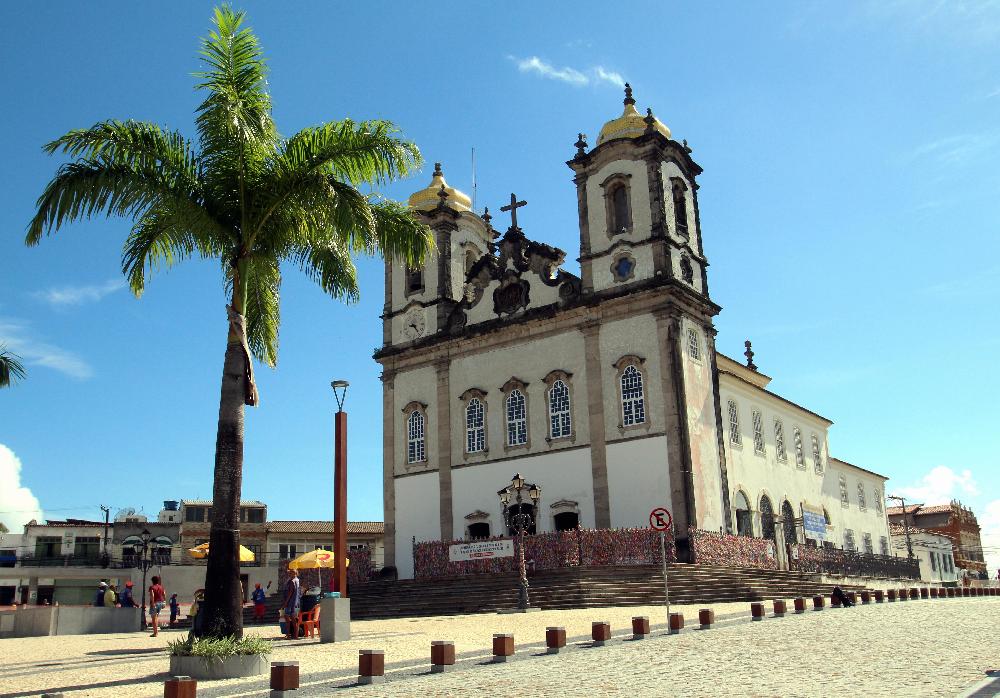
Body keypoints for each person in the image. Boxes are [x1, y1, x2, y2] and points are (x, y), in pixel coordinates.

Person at [283, 569, 301, 640]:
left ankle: (288, 635)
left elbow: (290, 593)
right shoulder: (297, 580)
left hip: (290, 603)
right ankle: (295, 635)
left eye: (291, 573)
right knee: (293, 619)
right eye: (290, 573)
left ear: (295, 574)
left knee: (287, 619)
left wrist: (285, 603)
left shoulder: (292, 581)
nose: (290, 574)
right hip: (295, 602)